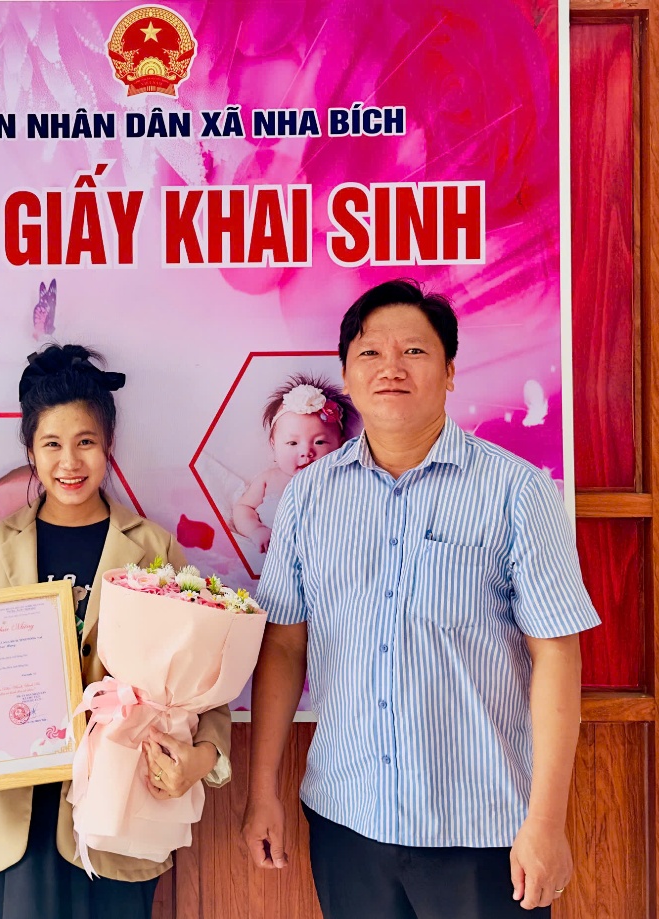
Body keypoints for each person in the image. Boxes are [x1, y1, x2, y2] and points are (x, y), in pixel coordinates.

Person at [242, 279, 600, 918]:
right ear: (347, 378)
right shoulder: (308, 496)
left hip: (482, 830)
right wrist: (262, 789)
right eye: (370, 354)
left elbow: (556, 654)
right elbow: (285, 646)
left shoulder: (516, 492)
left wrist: (546, 822)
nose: (391, 368)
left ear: (450, 371)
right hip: (347, 818)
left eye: (414, 351)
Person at [0, 343, 233, 919]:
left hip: (118, 814)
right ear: (29, 451)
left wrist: (203, 757)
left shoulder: (153, 548)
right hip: (11, 812)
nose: (69, 462)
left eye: (85, 442)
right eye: (51, 444)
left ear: (108, 446)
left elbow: (203, 681)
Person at [232, 374, 357, 552]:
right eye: (292, 443)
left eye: (319, 442)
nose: (306, 452)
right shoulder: (268, 480)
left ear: (340, 446)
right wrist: (256, 530)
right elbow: (243, 508)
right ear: (274, 445)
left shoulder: (342, 481)